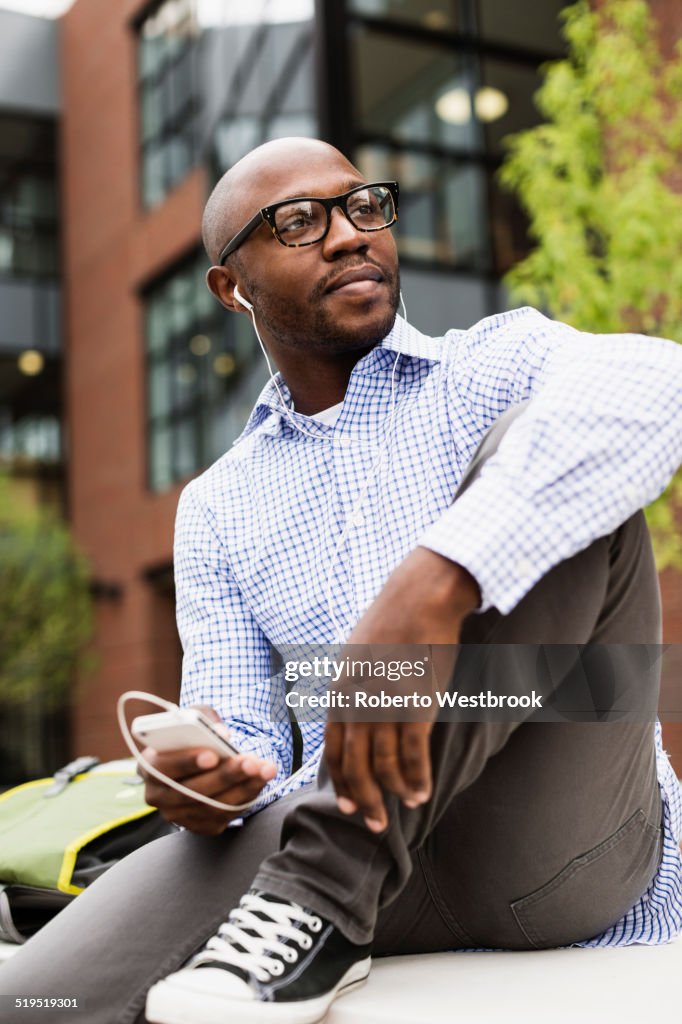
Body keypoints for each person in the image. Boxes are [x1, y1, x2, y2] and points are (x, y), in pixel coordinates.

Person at [1, 137, 681, 1024]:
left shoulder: (494, 364)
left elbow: (660, 380)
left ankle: (324, 890)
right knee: (37, 1000)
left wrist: (443, 576)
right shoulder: (216, 505)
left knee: (556, 460)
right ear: (231, 285)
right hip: (330, 828)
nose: (350, 235)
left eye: (364, 207)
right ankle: (319, 900)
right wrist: (208, 776)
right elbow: (244, 725)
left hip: (550, 843)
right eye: (298, 222)